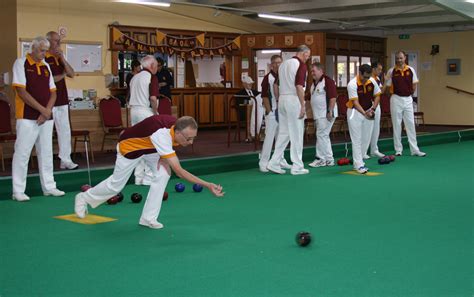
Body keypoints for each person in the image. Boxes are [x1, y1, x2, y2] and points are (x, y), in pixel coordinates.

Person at [74, 115, 224, 229]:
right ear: (177, 132)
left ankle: (148, 218)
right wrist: (207, 184)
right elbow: (180, 172)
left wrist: (162, 156)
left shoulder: (177, 127)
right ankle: (83, 198)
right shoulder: (163, 135)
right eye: (188, 139)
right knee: (115, 186)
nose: (191, 142)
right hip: (130, 148)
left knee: (163, 173)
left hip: (150, 147)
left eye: (194, 138)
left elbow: (160, 144)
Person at [11, 36, 65, 201]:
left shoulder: (46, 66)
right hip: (27, 116)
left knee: (47, 152)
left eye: (45, 50)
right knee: (23, 153)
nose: (44, 54)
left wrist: (47, 111)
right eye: (41, 50)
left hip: (46, 117)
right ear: (33, 48)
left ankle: (49, 186)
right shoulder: (21, 63)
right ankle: (18, 191)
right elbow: (21, 92)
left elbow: (53, 92)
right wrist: (42, 110)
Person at [267, 45, 311, 175]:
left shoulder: (284, 64)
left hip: (282, 99)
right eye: (307, 56)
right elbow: (299, 86)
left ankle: (274, 162)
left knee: (284, 133)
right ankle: (297, 166)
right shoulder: (301, 65)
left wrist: (277, 100)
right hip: (293, 99)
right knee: (297, 133)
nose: (307, 59)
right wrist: (303, 105)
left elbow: (276, 85)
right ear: (303, 53)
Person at [45, 31, 78, 170]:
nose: (58, 43)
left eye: (59, 41)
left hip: (62, 100)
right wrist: (63, 74)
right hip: (47, 102)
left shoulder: (59, 58)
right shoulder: (43, 57)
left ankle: (66, 159)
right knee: (46, 133)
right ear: (48, 42)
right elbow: (49, 80)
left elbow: (72, 73)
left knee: (65, 130)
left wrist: (62, 59)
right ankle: (45, 163)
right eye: (55, 41)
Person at [385, 51, 426, 157]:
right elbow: (388, 86)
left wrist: (410, 94)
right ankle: (398, 150)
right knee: (397, 124)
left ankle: (415, 150)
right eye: (397, 58)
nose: (399, 60)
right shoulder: (391, 71)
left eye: (401, 58)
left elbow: (414, 85)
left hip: (408, 99)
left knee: (410, 124)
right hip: (396, 98)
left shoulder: (411, 70)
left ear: (405, 58)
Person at [129, 55, 160, 186]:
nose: (157, 68)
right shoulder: (152, 77)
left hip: (134, 112)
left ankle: (138, 177)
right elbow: (153, 98)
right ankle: (148, 178)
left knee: (139, 144)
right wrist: (155, 112)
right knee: (151, 145)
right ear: (152, 66)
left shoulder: (134, 77)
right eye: (157, 65)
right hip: (145, 111)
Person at [258, 55, 291, 172]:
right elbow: (264, 96)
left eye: (280, 62)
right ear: (271, 64)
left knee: (280, 137)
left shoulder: (283, 76)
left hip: (282, 112)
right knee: (269, 137)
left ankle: (280, 160)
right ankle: (263, 161)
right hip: (272, 112)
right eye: (275, 63)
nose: (278, 65)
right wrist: (269, 111)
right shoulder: (268, 78)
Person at [346, 64, 381, 174]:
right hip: (354, 112)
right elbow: (355, 103)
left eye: (368, 77)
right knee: (357, 139)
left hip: (368, 110)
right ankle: (359, 165)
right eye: (364, 77)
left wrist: (373, 109)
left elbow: (377, 96)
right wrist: (365, 113)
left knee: (366, 138)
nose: (366, 79)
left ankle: (358, 161)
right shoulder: (352, 84)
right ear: (360, 73)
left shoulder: (372, 81)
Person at [307, 62, 338, 168]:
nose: (312, 73)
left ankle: (321, 158)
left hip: (326, 114)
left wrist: (330, 111)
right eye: (311, 71)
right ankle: (329, 159)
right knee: (324, 135)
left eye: (314, 71)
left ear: (321, 71)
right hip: (319, 114)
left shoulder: (328, 81)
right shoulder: (313, 83)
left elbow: (333, 97)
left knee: (321, 135)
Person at [363, 61, 386, 159]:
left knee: (376, 129)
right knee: (367, 130)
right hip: (370, 105)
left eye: (381, 69)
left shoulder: (377, 79)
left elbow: (381, 92)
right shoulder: (370, 79)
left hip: (377, 105)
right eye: (379, 69)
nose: (380, 71)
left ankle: (374, 150)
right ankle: (363, 151)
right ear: (373, 69)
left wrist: (386, 82)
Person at [235, 76, 262, 142]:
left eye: (251, 83)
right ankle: (250, 135)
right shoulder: (240, 94)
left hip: (257, 112)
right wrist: (250, 102)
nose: (250, 85)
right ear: (244, 84)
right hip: (245, 112)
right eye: (248, 83)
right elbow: (239, 103)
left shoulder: (256, 92)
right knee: (250, 114)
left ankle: (259, 134)